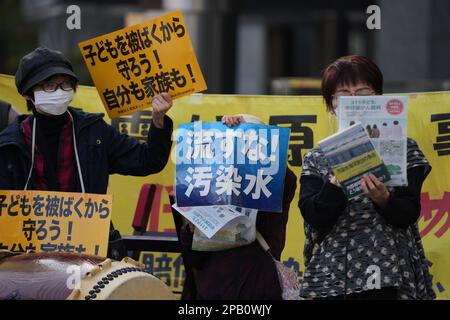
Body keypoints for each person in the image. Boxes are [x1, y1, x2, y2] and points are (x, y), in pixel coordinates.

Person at [0, 47, 174, 260]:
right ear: (28, 93)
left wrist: (158, 121)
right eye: (48, 85)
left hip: (89, 252)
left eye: (65, 84)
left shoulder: (95, 131)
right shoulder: (10, 143)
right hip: (27, 256)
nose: (59, 91)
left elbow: (148, 161)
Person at [298, 55, 435, 300]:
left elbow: (409, 212)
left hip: (390, 270)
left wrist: (385, 200)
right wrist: (337, 181)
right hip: (333, 276)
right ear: (331, 105)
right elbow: (314, 216)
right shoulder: (316, 157)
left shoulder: (405, 149)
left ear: (379, 99)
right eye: (343, 95)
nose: (354, 101)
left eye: (363, 93)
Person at [178, 114, 297, 300]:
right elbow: (194, 258)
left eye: (249, 144)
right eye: (233, 144)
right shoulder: (208, 188)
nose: (241, 150)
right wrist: (190, 230)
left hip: (257, 285)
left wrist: (250, 132)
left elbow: (286, 180)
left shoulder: (272, 186)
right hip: (212, 289)